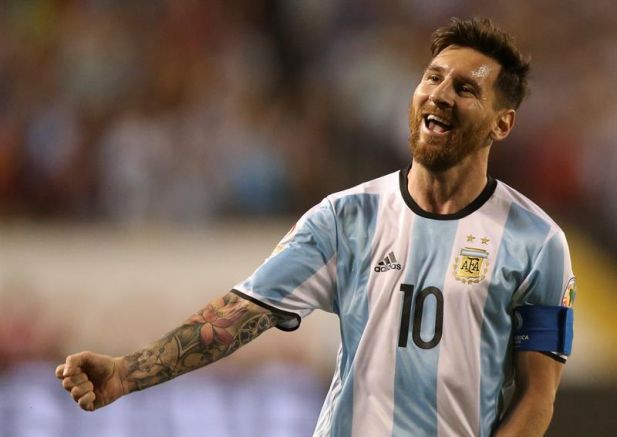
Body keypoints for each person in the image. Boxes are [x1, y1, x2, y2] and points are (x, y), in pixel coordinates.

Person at [56, 17, 576, 436]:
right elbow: (238, 315)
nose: (438, 94)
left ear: (501, 123)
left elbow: (538, 396)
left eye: (464, 88)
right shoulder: (346, 217)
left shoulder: (536, 243)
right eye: (432, 77)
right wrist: (129, 372)